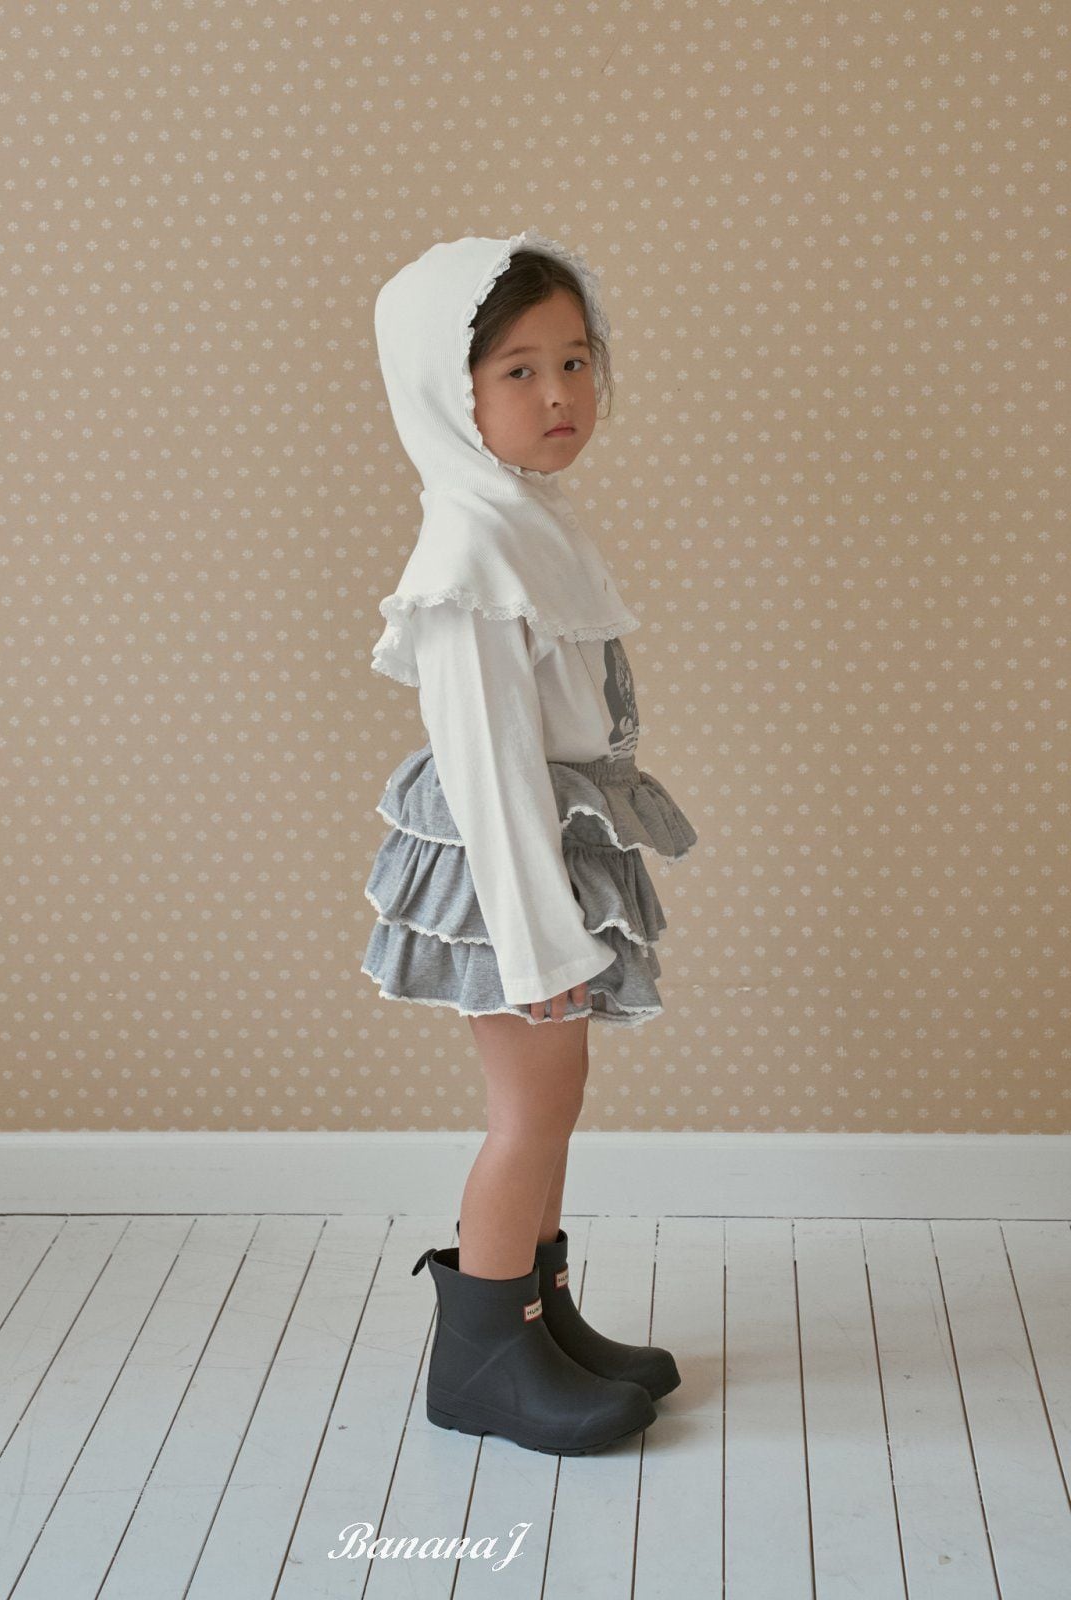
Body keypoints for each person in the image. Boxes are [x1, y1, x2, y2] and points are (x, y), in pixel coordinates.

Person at [360, 230, 700, 1455]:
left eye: (573, 361)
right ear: (446, 392)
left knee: (555, 1100)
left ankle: (537, 1315)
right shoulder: (466, 552)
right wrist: (536, 938)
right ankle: (483, 1357)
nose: (559, 393)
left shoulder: (521, 515)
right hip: (507, 873)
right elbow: (486, 769)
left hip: (550, 849)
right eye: (517, 370)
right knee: (527, 1111)